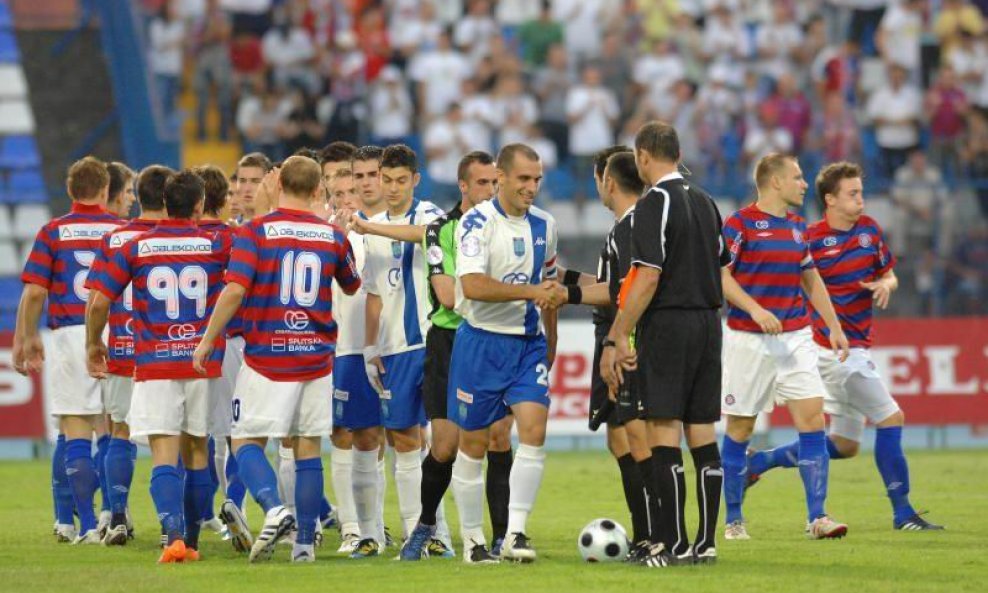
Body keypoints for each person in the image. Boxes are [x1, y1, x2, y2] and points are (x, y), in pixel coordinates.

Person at [746, 162, 943, 532]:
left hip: (856, 349)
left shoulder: (869, 230)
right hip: (833, 352)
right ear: (830, 200)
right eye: (852, 194)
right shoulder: (811, 238)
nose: (860, 201)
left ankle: (759, 463)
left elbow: (889, 272)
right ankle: (903, 514)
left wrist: (888, 284)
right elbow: (793, 279)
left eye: (861, 193)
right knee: (891, 417)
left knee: (845, 444)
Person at [192, 156, 361, 563]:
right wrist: (336, 234)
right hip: (316, 359)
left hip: (267, 355)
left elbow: (233, 291)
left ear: (278, 183)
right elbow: (352, 285)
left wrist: (207, 339)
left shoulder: (255, 232)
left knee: (244, 439)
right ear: (319, 190)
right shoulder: (331, 237)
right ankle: (304, 545)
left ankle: (274, 508)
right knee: (306, 446)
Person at [355, 151, 513, 562]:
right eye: (482, 183)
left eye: (495, 184)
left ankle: (500, 537)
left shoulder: (507, 229)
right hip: (447, 340)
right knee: (443, 445)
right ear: (463, 185)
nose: (490, 191)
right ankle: (427, 525)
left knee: (496, 437)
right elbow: (446, 295)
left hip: (495, 339)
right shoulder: (443, 228)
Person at [596, 122, 728, 567]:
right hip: (710, 323)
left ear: (644, 157)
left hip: (668, 325)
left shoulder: (655, 203)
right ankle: (705, 543)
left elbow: (648, 276)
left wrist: (617, 335)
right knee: (704, 433)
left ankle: (672, 545)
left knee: (663, 431)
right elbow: (723, 266)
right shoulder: (706, 200)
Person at [86, 170, 232, 563]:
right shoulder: (217, 247)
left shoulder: (137, 248)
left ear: (165, 204)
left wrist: (92, 345)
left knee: (163, 453)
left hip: (153, 364)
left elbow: (99, 302)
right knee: (198, 450)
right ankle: (195, 541)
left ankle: (172, 537)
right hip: (202, 363)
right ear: (200, 206)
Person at [719, 153, 851, 541]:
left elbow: (810, 279)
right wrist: (755, 309)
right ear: (775, 182)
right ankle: (734, 519)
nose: (804, 183)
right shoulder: (739, 224)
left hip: (796, 337)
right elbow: (721, 275)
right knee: (741, 427)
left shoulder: (798, 227)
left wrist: (834, 326)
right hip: (748, 338)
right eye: (797, 177)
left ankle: (818, 517)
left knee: (813, 421)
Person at [447, 143, 560, 563]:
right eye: (524, 179)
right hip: (480, 343)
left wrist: (553, 339)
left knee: (534, 430)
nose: (532, 187)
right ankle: (474, 539)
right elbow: (473, 285)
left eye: (538, 179)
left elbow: (548, 282)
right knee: (473, 443)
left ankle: (515, 534)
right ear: (502, 177)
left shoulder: (546, 225)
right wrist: (531, 292)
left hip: (526, 344)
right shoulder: (476, 223)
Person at [14, 157, 119, 544]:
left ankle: (87, 525)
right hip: (112, 332)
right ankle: (113, 516)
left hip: (70, 335)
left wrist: (26, 336)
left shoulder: (53, 231)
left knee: (75, 431)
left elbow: (36, 290)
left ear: (71, 189)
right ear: (106, 190)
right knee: (111, 428)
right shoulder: (120, 230)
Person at [358, 145, 446, 557]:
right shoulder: (370, 227)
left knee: (441, 440)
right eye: (385, 180)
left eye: (399, 180)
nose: (391, 188)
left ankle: (434, 534)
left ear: (415, 179)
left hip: (431, 339)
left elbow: (427, 237)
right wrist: (369, 346)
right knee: (404, 440)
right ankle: (421, 533)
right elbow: (373, 294)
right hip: (392, 348)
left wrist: (370, 229)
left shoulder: (429, 214)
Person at [569, 147, 654, 561]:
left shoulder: (631, 227)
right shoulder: (626, 227)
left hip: (623, 340)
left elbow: (621, 292)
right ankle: (646, 533)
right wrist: (567, 278)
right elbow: (611, 281)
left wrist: (566, 294)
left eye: (597, 177)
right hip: (615, 336)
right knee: (620, 438)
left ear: (609, 181)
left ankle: (652, 533)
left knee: (636, 436)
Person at [86, 165, 173, 545]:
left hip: (123, 347)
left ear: (139, 194)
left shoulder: (116, 239)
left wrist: (94, 342)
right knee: (170, 437)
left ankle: (117, 515)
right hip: (170, 353)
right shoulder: (183, 238)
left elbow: (96, 299)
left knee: (119, 430)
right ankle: (176, 523)